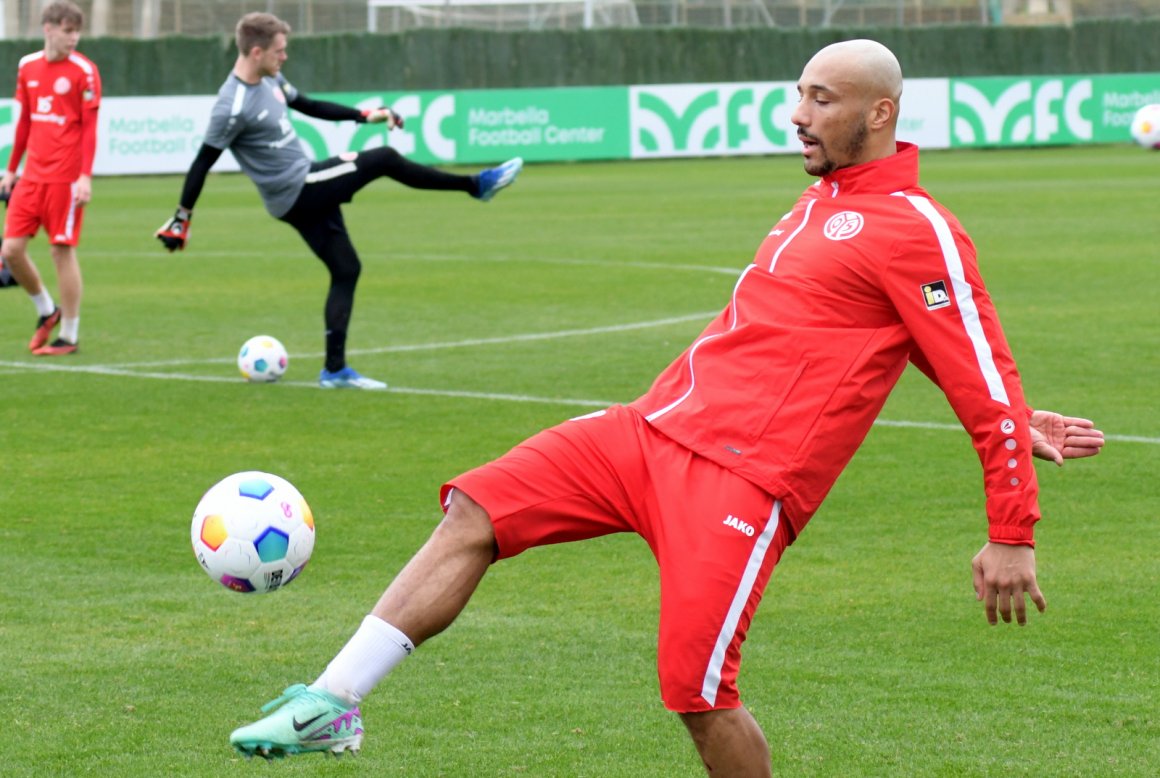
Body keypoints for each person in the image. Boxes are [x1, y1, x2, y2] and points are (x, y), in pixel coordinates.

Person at [226, 40, 1106, 774]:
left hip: (740, 481)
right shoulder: (820, 200)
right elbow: (865, 331)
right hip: (645, 432)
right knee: (476, 508)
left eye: (823, 99)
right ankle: (333, 703)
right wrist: (1009, 417)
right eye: (799, 93)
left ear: (880, 114)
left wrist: (1012, 529)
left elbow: (974, 364)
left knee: (696, 691)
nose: (798, 113)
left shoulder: (918, 225)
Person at [156, 12, 523, 390]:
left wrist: (364, 116)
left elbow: (311, 106)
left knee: (346, 268)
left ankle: (335, 370)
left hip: (303, 184)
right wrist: (182, 218)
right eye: (279, 51)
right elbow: (203, 162)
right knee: (383, 159)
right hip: (297, 188)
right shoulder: (231, 107)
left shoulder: (272, 80)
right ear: (255, 51)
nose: (284, 57)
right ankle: (477, 185)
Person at [0, 0, 100, 356]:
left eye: (77, 32)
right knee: (11, 251)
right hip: (31, 176)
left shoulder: (85, 71)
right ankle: (46, 310)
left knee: (61, 251)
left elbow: (89, 129)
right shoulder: (27, 66)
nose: (74, 39)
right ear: (49, 29)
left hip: (66, 179)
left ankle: (69, 336)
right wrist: (11, 169)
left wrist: (85, 176)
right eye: (68, 31)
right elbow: (24, 121)